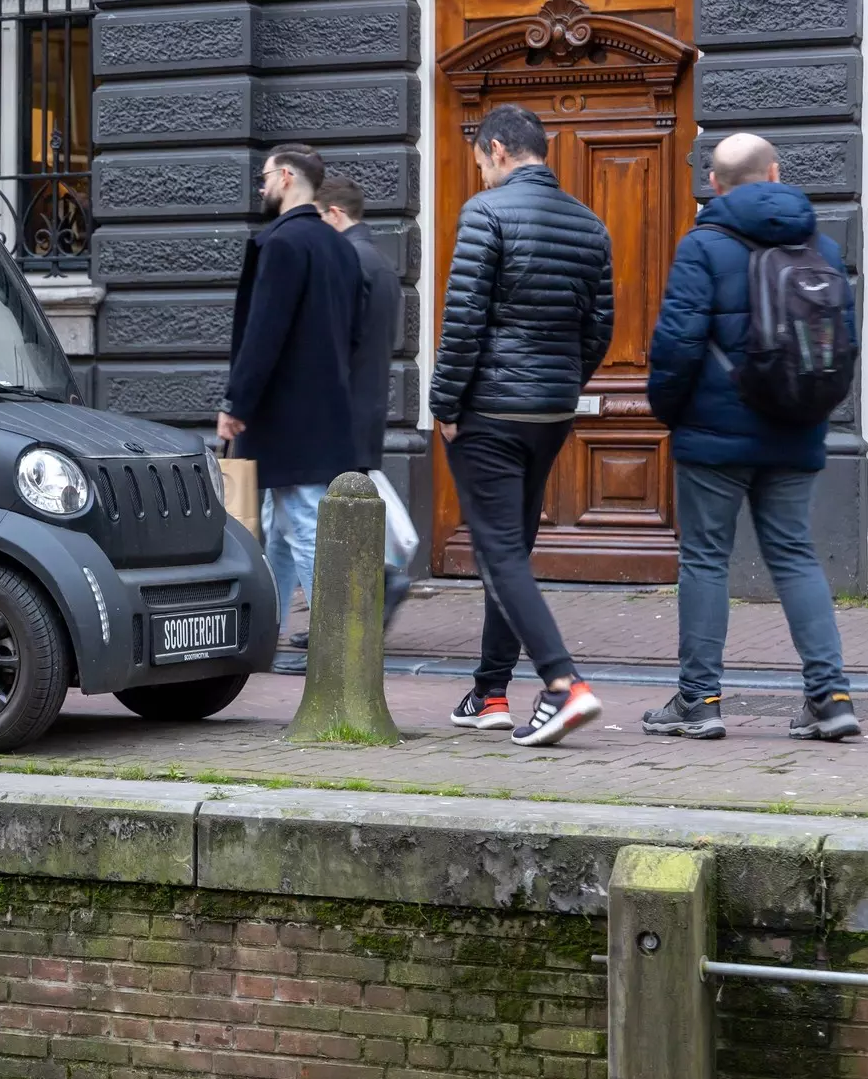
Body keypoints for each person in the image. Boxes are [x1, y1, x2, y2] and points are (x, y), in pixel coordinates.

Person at [640, 133, 861, 743]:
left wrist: (671, 413)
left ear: (714, 182)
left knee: (705, 560)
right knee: (794, 555)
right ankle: (832, 696)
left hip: (714, 433)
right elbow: (845, 338)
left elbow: (677, 343)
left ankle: (699, 700)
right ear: (775, 172)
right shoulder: (816, 240)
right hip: (796, 425)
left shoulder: (703, 243)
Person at [430, 103, 612, 747]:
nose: (480, 173)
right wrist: (562, 382)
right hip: (552, 411)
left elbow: (463, 321)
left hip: (491, 410)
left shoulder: (486, 213)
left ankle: (564, 686)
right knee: (510, 550)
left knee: (499, 552)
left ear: (500, 151)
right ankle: (492, 691)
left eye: (481, 161)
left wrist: (445, 405)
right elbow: (600, 328)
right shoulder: (590, 223)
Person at [218, 143, 363, 675]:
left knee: (302, 524)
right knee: (280, 527)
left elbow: (262, 334)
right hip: (325, 411)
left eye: (263, 178)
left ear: (285, 177)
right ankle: (264, 633)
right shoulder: (339, 245)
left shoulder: (280, 244)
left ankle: (338, 651)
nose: (260, 188)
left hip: (285, 416)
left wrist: (236, 402)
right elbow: (354, 334)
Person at [319, 173, 412, 628]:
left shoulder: (344, 261)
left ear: (334, 214)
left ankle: (372, 590)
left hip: (338, 411)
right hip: (368, 405)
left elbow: (333, 343)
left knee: (330, 517)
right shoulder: (380, 263)